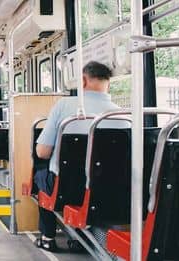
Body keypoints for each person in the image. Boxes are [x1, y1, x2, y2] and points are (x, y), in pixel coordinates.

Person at [34, 61, 128, 251]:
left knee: (40, 176)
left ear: (83, 80)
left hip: (67, 186)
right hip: (109, 188)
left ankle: (48, 236)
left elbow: (43, 152)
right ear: (108, 83)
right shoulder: (123, 115)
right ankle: (78, 237)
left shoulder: (65, 106)